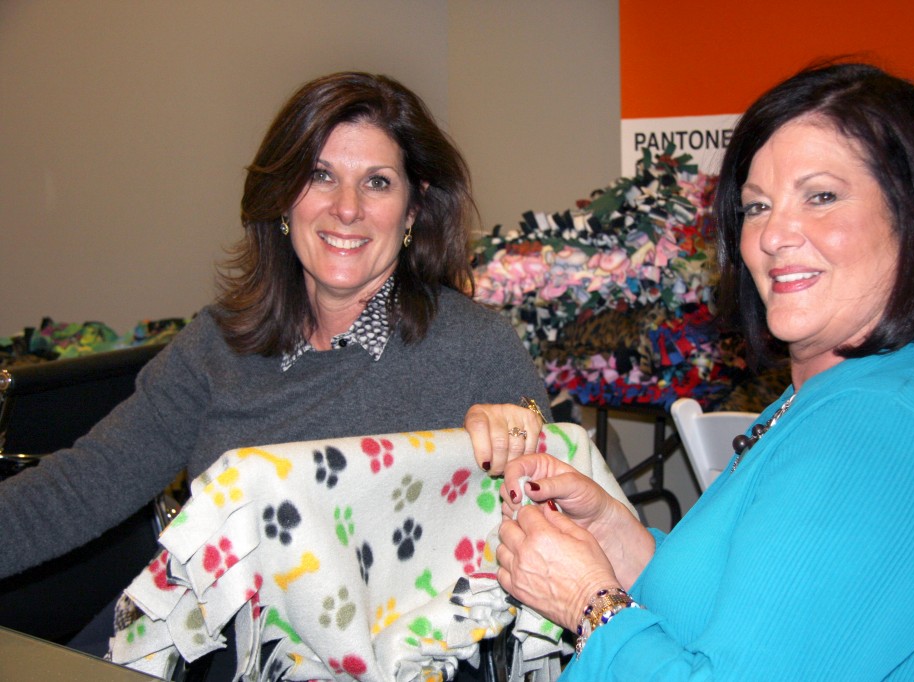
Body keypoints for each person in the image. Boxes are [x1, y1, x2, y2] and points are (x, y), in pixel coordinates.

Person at [491, 62, 914, 679]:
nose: (773, 235)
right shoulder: (839, 393)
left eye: (821, 196)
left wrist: (587, 602)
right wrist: (612, 533)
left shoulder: (881, 429)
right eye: (757, 207)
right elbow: (744, 606)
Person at [0, 72, 548, 583]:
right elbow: (85, 485)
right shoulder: (218, 343)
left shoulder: (476, 349)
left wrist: (524, 438)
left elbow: (561, 520)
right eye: (320, 176)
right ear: (284, 197)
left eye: (377, 183)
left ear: (412, 210)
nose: (346, 208)